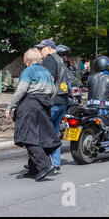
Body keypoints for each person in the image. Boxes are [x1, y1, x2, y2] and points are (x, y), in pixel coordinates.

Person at [5, 48, 60, 181]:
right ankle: (33, 168)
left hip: (29, 105)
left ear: (28, 59)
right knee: (40, 135)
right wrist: (46, 101)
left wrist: (10, 107)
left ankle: (44, 165)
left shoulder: (28, 71)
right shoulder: (46, 71)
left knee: (27, 137)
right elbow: (53, 90)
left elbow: (21, 90)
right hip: (43, 105)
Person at [35, 39, 72, 173]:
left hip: (52, 101)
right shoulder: (61, 60)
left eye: (42, 49)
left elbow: (49, 79)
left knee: (42, 132)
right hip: (62, 101)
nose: (40, 51)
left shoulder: (50, 59)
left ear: (49, 48)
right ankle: (55, 164)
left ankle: (42, 164)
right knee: (54, 133)